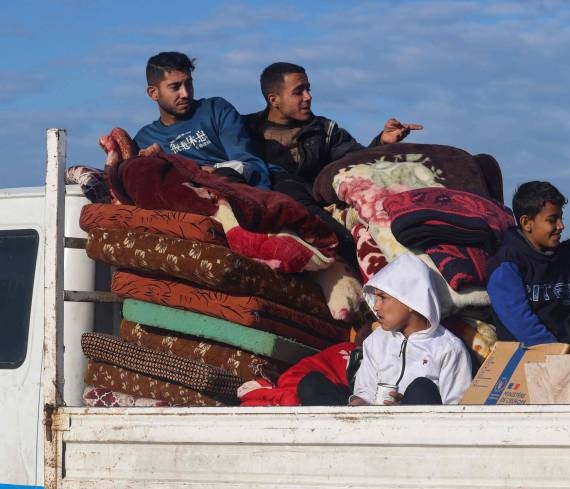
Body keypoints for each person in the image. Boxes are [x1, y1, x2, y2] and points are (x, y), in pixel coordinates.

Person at [242, 62, 422, 263]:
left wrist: (381, 142)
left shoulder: (325, 131)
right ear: (274, 99)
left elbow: (356, 160)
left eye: (308, 89)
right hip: (272, 213)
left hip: (320, 214)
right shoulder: (244, 131)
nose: (308, 97)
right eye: (298, 92)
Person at [300, 255, 471, 406]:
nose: (376, 306)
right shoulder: (376, 340)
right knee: (311, 383)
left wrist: (405, 408)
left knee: (421, 387)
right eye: (375, 298)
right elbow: (364, 390)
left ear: (410, 299)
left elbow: (456, 409)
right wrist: (360, 402)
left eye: (383, 298)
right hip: (371, 425)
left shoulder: (449, 348)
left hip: (415, 432)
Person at [133, 52, 274, 189]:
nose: (185, 93)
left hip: (235, 189)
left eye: (188, 84)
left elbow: (248, 164)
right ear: (153, 93)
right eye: (175, 87)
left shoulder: (215, 110)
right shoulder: (144, 140)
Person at [486, 181, 570, 345]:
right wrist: (556, 352)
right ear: (527, 223)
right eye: (552, 220)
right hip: (529, 354)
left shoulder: (566, 255)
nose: (561, 226)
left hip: (569, 349)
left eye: (561, 217)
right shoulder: (507, 264)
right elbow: (520, 322)